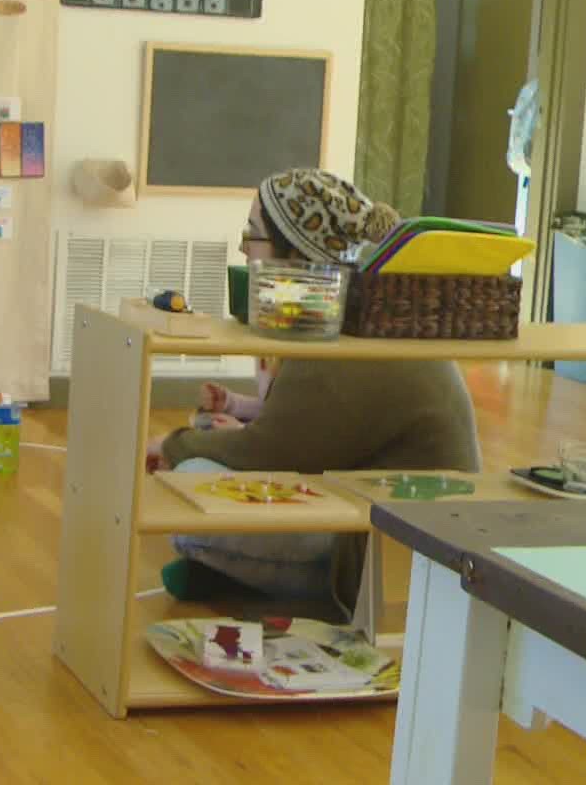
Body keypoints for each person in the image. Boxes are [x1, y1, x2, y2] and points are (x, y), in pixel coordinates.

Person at [147, 169, 480, 605]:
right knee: (204, 465)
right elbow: (301, 441)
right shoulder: (357, 317)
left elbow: (267, 454)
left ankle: (239, 576)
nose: (244, 249)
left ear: (293, 251)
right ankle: (233, 574)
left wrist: (172, 446)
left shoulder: (339, 346)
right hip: (388, 525)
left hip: (394, 560)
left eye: (254, 236)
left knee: (191, 486)